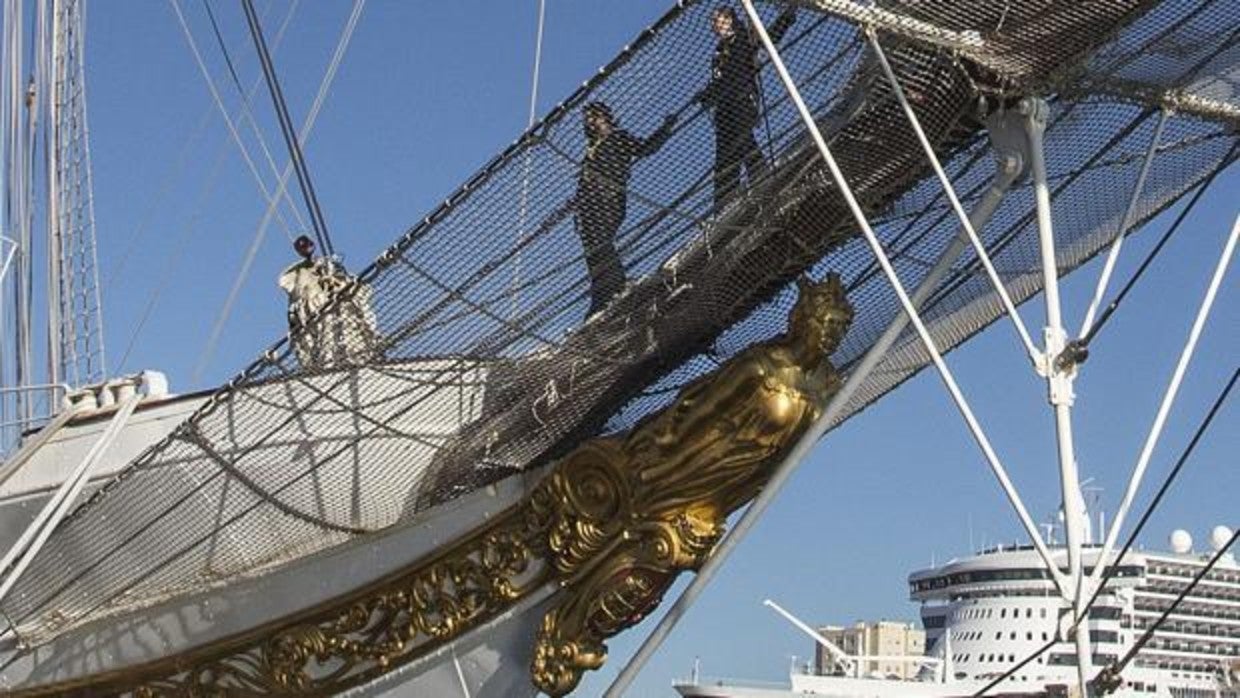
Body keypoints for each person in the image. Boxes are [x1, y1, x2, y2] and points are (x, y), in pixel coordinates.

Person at [575, 101, 677, 316]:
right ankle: (601, 297)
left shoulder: (617, 138)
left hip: (608, 200)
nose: (588, 123)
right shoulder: (591, 149)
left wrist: (666, 129)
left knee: (602, 244)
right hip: (588, 207)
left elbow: (645, 148)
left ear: (604, 117)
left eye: (592, 117)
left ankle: (618, 285)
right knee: (592, 252)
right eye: (587, 119)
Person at [696, 5, 796, 207]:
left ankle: (763, 179)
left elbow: (770, 39)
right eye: (714, 23)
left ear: (731, 19)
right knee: (724, 158)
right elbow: (719, 81)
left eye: (719, 20)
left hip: (741, 99)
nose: (716, 26)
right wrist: (706, 95)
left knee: (744, 141)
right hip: (724, 109)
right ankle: (724, 203)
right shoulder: (718, 53)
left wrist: (787, 17)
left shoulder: (744, 37)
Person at [278, 235, 379, 367]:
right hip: (323, 324)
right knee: (327, 342)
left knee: (346, 338)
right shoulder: (302, 278)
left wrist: (334, 280)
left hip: (345, 328)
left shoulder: (339, 280)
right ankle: (329, 361)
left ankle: (345, 357)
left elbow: (357, 291)